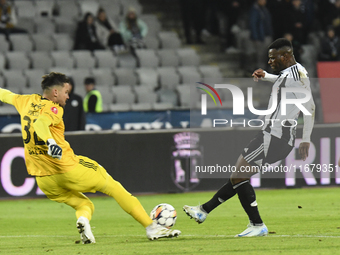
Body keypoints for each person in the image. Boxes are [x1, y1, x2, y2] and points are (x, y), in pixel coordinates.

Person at [0, 72, 181, 243]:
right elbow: (41, 123)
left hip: (44, 180)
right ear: (55, 92)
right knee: (113, 186)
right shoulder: (54, 108)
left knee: (84, 204)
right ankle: (152, 227)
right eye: (66, 92)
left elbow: (5, 94)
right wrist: (51, 142)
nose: (68, 97)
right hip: (67, 168)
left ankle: (84, 222)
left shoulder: (25, 101)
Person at [183, 38, 315, 237]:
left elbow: (310, 106)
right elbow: (284, 82)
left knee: (239, 176)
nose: (269, 61)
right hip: (273, 135)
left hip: (275, 136)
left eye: (273, 58)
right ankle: (203, 211)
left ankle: (256, 224)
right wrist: (267, 76)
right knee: (238, 177)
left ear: (285, 56)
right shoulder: (290, 74)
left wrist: (306, 139)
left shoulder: (297, 75)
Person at [249, 0, 273, 69]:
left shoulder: (264, 9)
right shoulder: (255, 10)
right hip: (260, 37)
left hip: (267, 35)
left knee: (267, 55)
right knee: (260, 56)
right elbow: (253, 24)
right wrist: (256, 37)